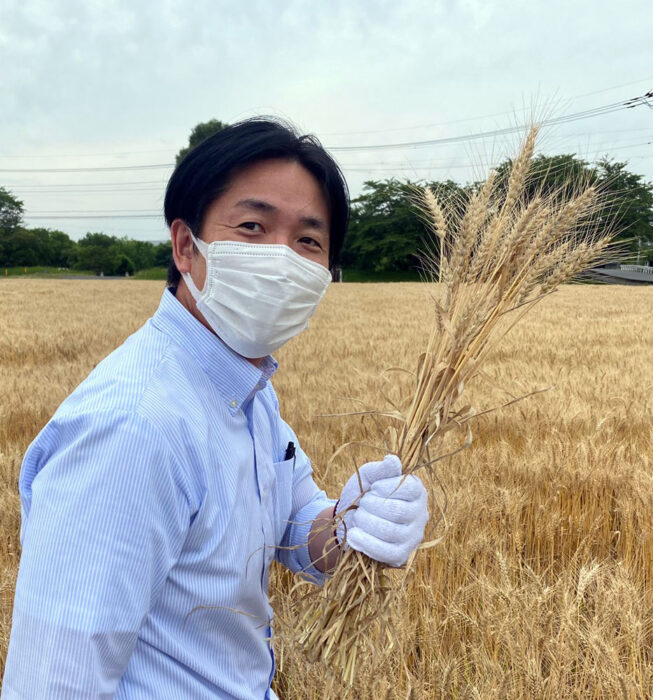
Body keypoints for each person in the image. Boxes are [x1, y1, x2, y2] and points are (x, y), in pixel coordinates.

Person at [1, 118, 429, 700]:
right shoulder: (133, 428)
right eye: (252, 227)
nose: (282, 260)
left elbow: (295, 527)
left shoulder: (244, 386)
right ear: (185, 246)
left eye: (308, 241)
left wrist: (354, 525)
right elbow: (53, 684)